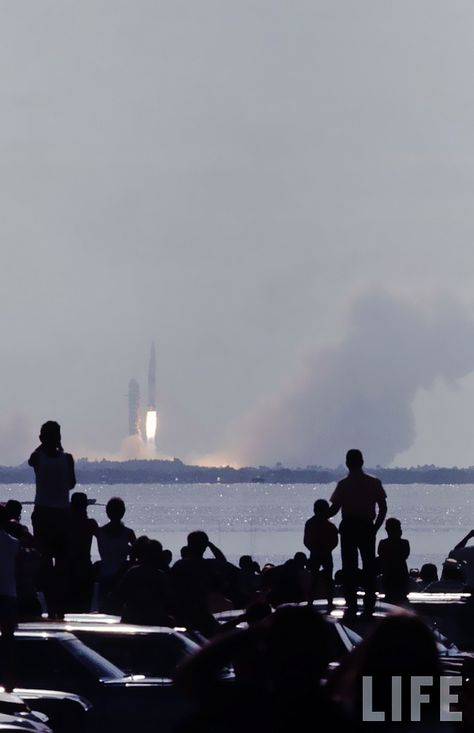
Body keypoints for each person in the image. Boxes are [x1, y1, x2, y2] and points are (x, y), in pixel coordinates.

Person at [329, 449, 387, 619]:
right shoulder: (374, 482)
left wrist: (319, 517)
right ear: (362, 462)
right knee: (369, 566)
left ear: (347, 463)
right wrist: (375, 527)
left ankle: (352, 603)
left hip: (349, 526)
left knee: (349, 566)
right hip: (366, 526)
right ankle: (369, 604)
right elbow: (383, 508)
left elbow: (334, 509)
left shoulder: (343, 484)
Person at [28, 420, 76, 619]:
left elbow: (31, 460)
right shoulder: (68, 459)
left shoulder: (38, 458)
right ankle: (61, 607)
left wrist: (42, 442)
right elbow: (72, 483)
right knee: (62, 564)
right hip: (63, 514)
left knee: (46, 563)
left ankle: (52, 607)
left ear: (42, 437)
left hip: (43, 513)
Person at [96, 497, 136, 612]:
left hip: (106, 575)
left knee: (103, 609)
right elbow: (136, 554)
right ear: (123, 512)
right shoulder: (128, 533)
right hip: (121, 578)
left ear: (107, 512)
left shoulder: (99, 531)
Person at [304, 499, 338, 609]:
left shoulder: (310, 523)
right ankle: (329, 602)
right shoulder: (330, 525)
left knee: (314, 578)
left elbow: (306, 540)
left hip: (316, 552)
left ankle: (311, 602)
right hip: (325, 553)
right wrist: (327, 549)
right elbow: (335, 541)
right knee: (327, 579)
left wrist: (313, 549)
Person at [0, 503, 19, 691]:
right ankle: (9, 682)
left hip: (7, 594)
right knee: (8, 641)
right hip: (8, 594)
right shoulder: (13, 542)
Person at [377, 517, 410, 605]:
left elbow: (381, 556)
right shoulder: (404, 543)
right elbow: (405, 556)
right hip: (401, 573)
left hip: (388, 574)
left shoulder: (383, 543)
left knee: (389, 597)